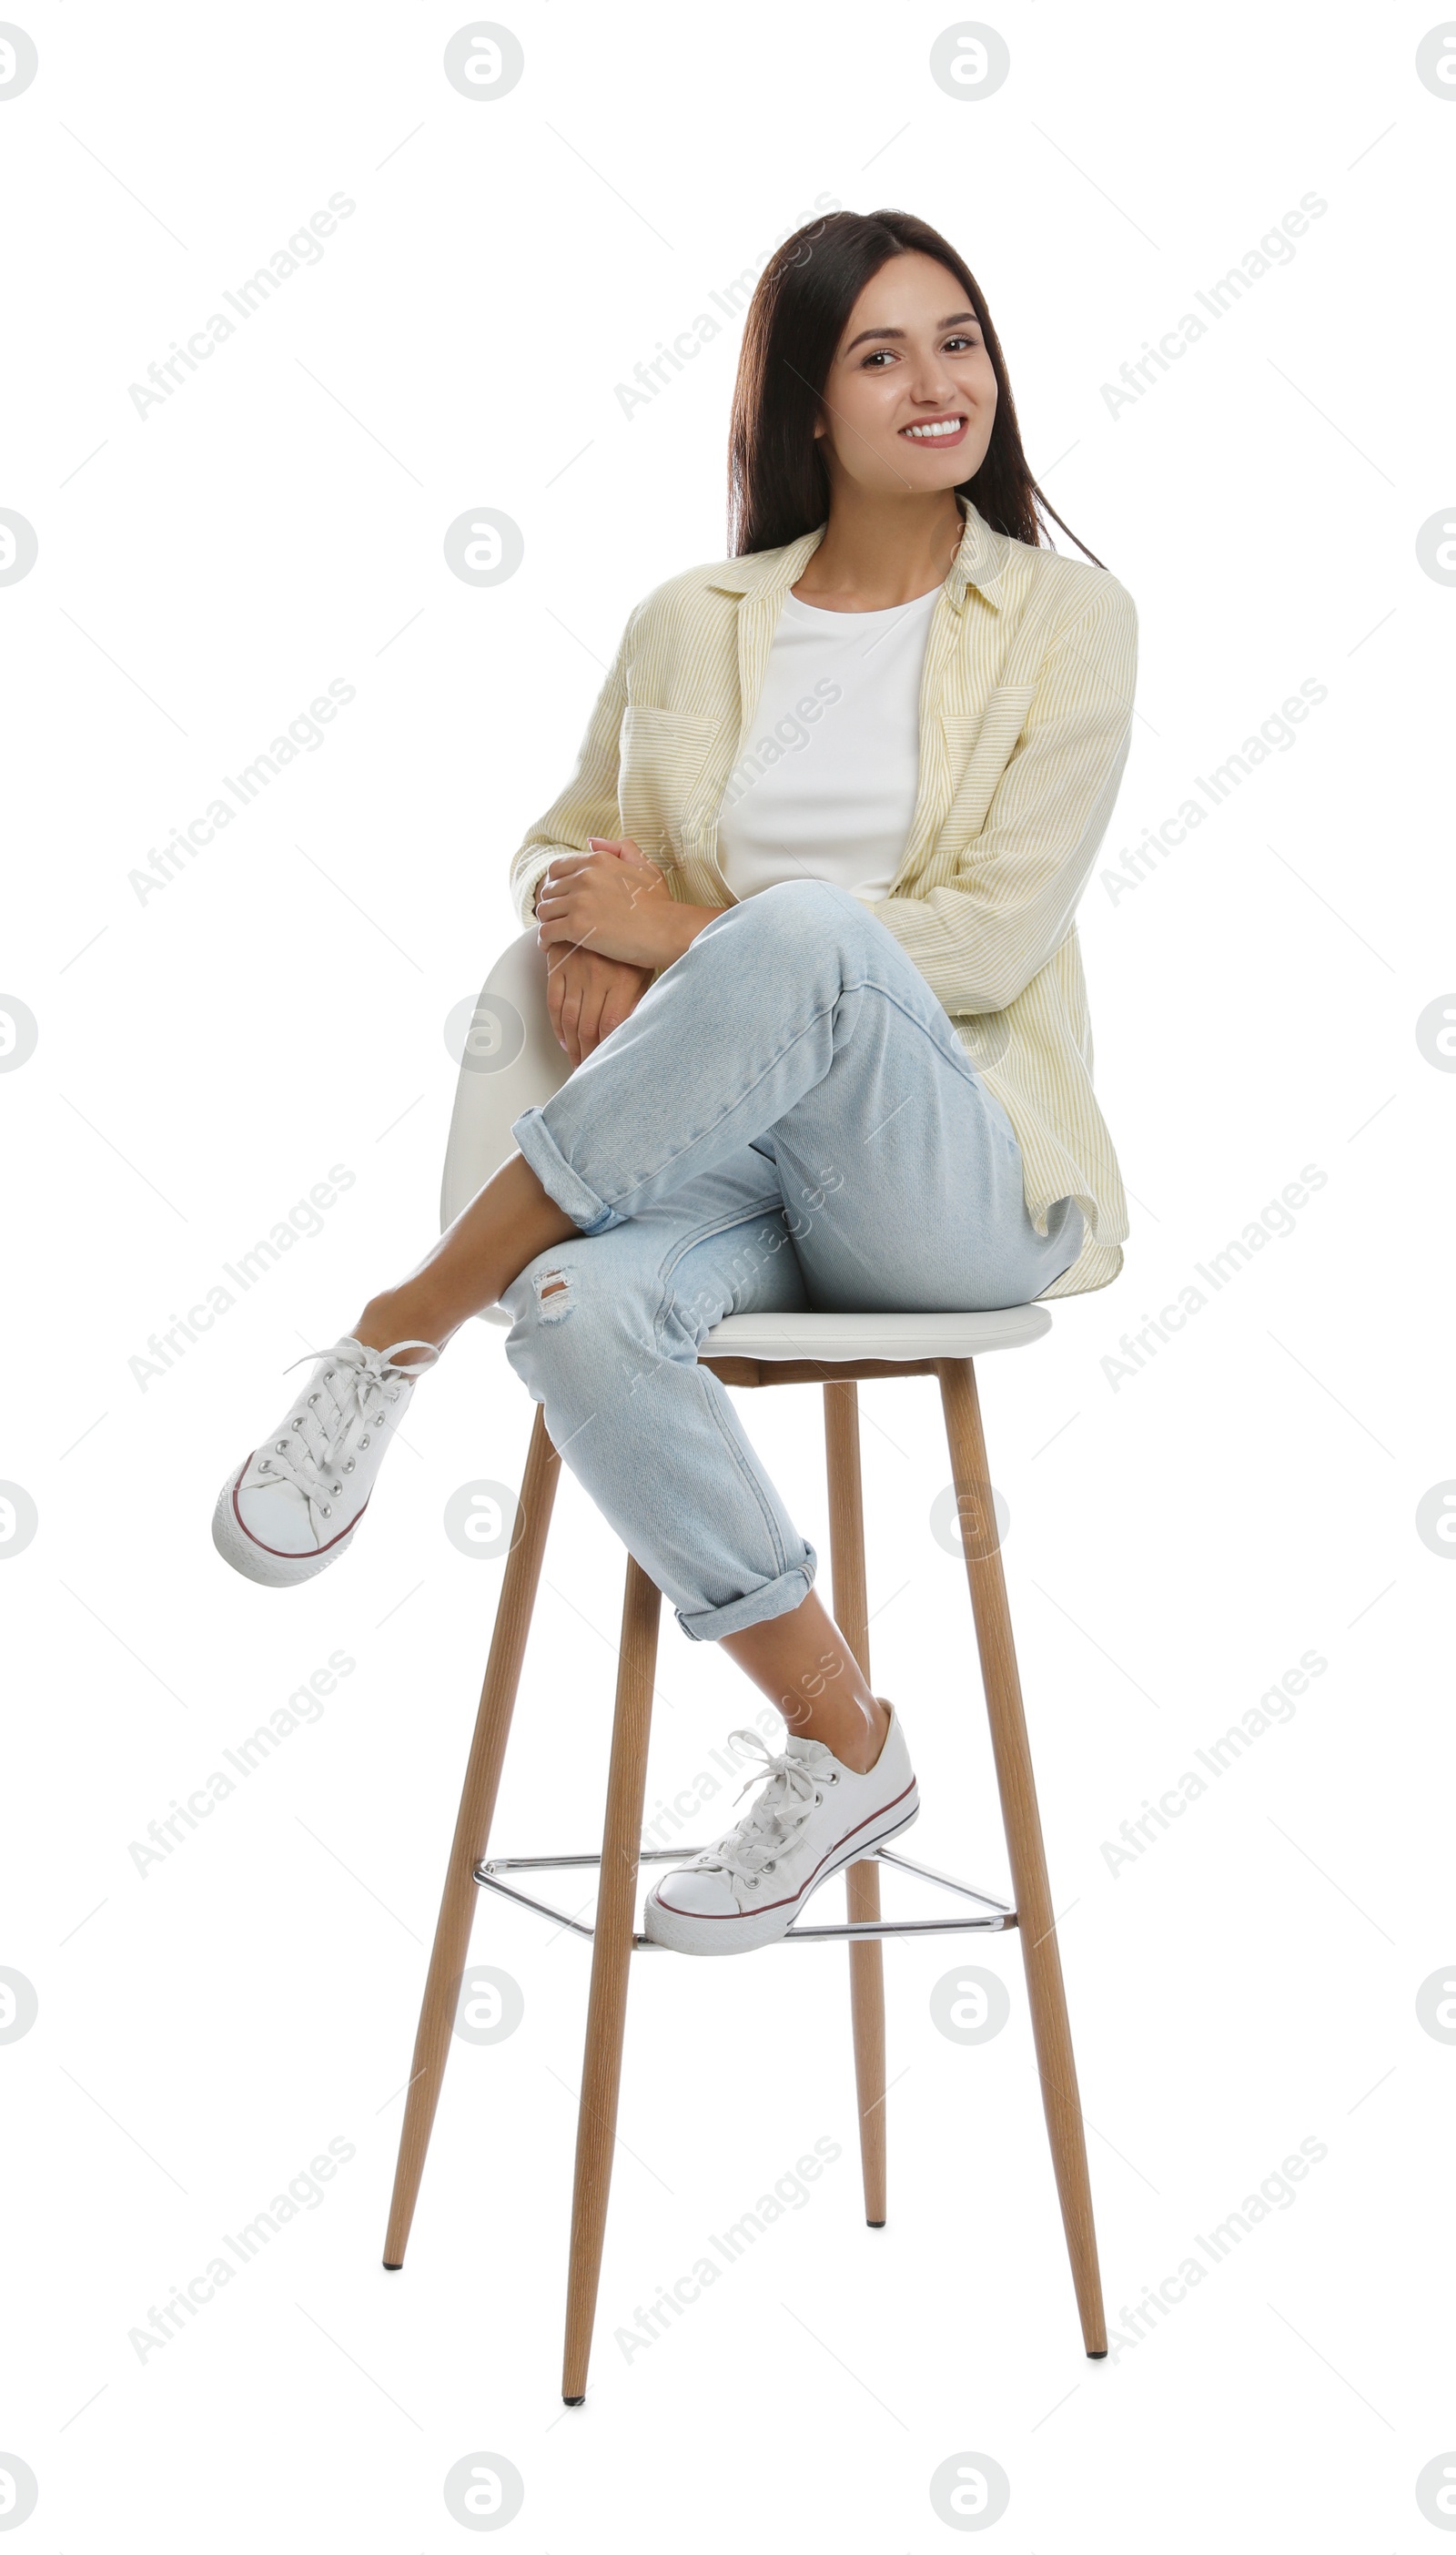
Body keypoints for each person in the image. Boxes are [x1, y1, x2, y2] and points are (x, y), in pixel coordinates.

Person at [212, 207, 1138, 1959]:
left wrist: (688, 927)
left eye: (960, 339)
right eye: (880, 352)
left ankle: (400, 1322)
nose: (937, 382)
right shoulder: (693, 622)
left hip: (947, 1176)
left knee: (802, 938)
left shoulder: (1068, 625)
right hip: (728, 1166)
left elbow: (988, 946)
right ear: (804, 402)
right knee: (570, 1308)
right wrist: (580, 925)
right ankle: (844, 1742)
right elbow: (571, 837)